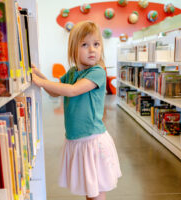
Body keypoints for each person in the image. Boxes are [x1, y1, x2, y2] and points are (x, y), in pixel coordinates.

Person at [31, 21, 121, 200]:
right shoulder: (72, 73)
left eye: (96, 44)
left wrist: (41, 81)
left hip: (92, 141)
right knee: (90, 189)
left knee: (96, 190)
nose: (92, 50)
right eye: (85, 45)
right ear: (74, 49)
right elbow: (55, 92)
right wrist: (39, 76)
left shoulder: (97, 72)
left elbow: (72, 90)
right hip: (77, 139)